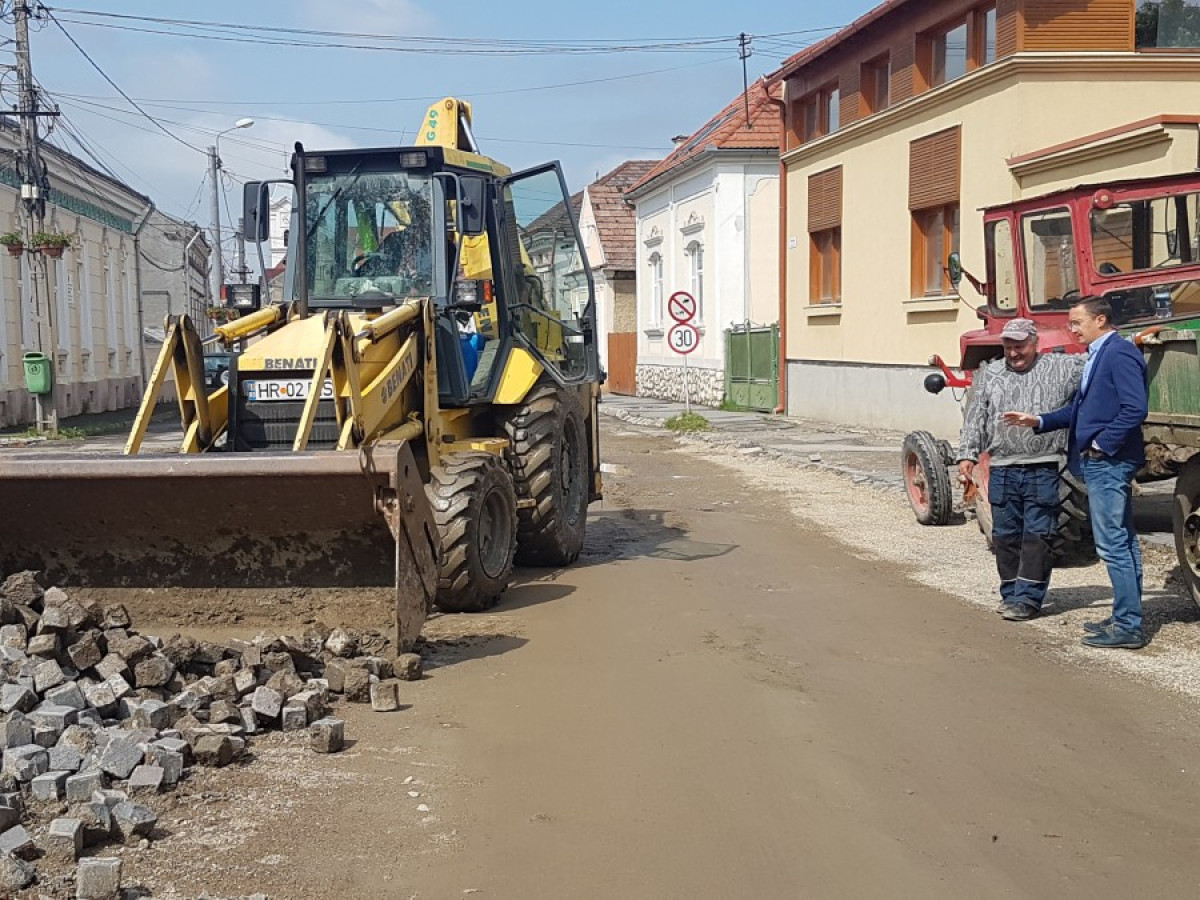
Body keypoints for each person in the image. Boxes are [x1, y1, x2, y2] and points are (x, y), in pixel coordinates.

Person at [1004, 296, 1149, 649]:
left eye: (1076, 323)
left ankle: (1129, 626)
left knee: (1113, 545)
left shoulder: (1118, 353)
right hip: (1102, 460)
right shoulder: (1100, 354)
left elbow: (1135, 408)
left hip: (1108, 462)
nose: (1071, 329)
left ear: (1100, 320)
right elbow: (1082, 409)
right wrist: (1039, 420)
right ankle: (1124, 616)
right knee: (1123, 542)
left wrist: (1101, 444)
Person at [957, 318, 1082, 621]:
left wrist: (1135, 342)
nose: (1014, 353)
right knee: (1006, 535)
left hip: (1043, 465)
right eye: (1008, 346)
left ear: (1035, 343)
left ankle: (1028, 599)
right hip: (1002, 467)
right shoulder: (990, 374)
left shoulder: (1061, 368)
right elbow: (976, 416)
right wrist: (968, 454)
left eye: (1020, 346)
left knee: (1038, 535)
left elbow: (1101, 361)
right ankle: (1011, 591)